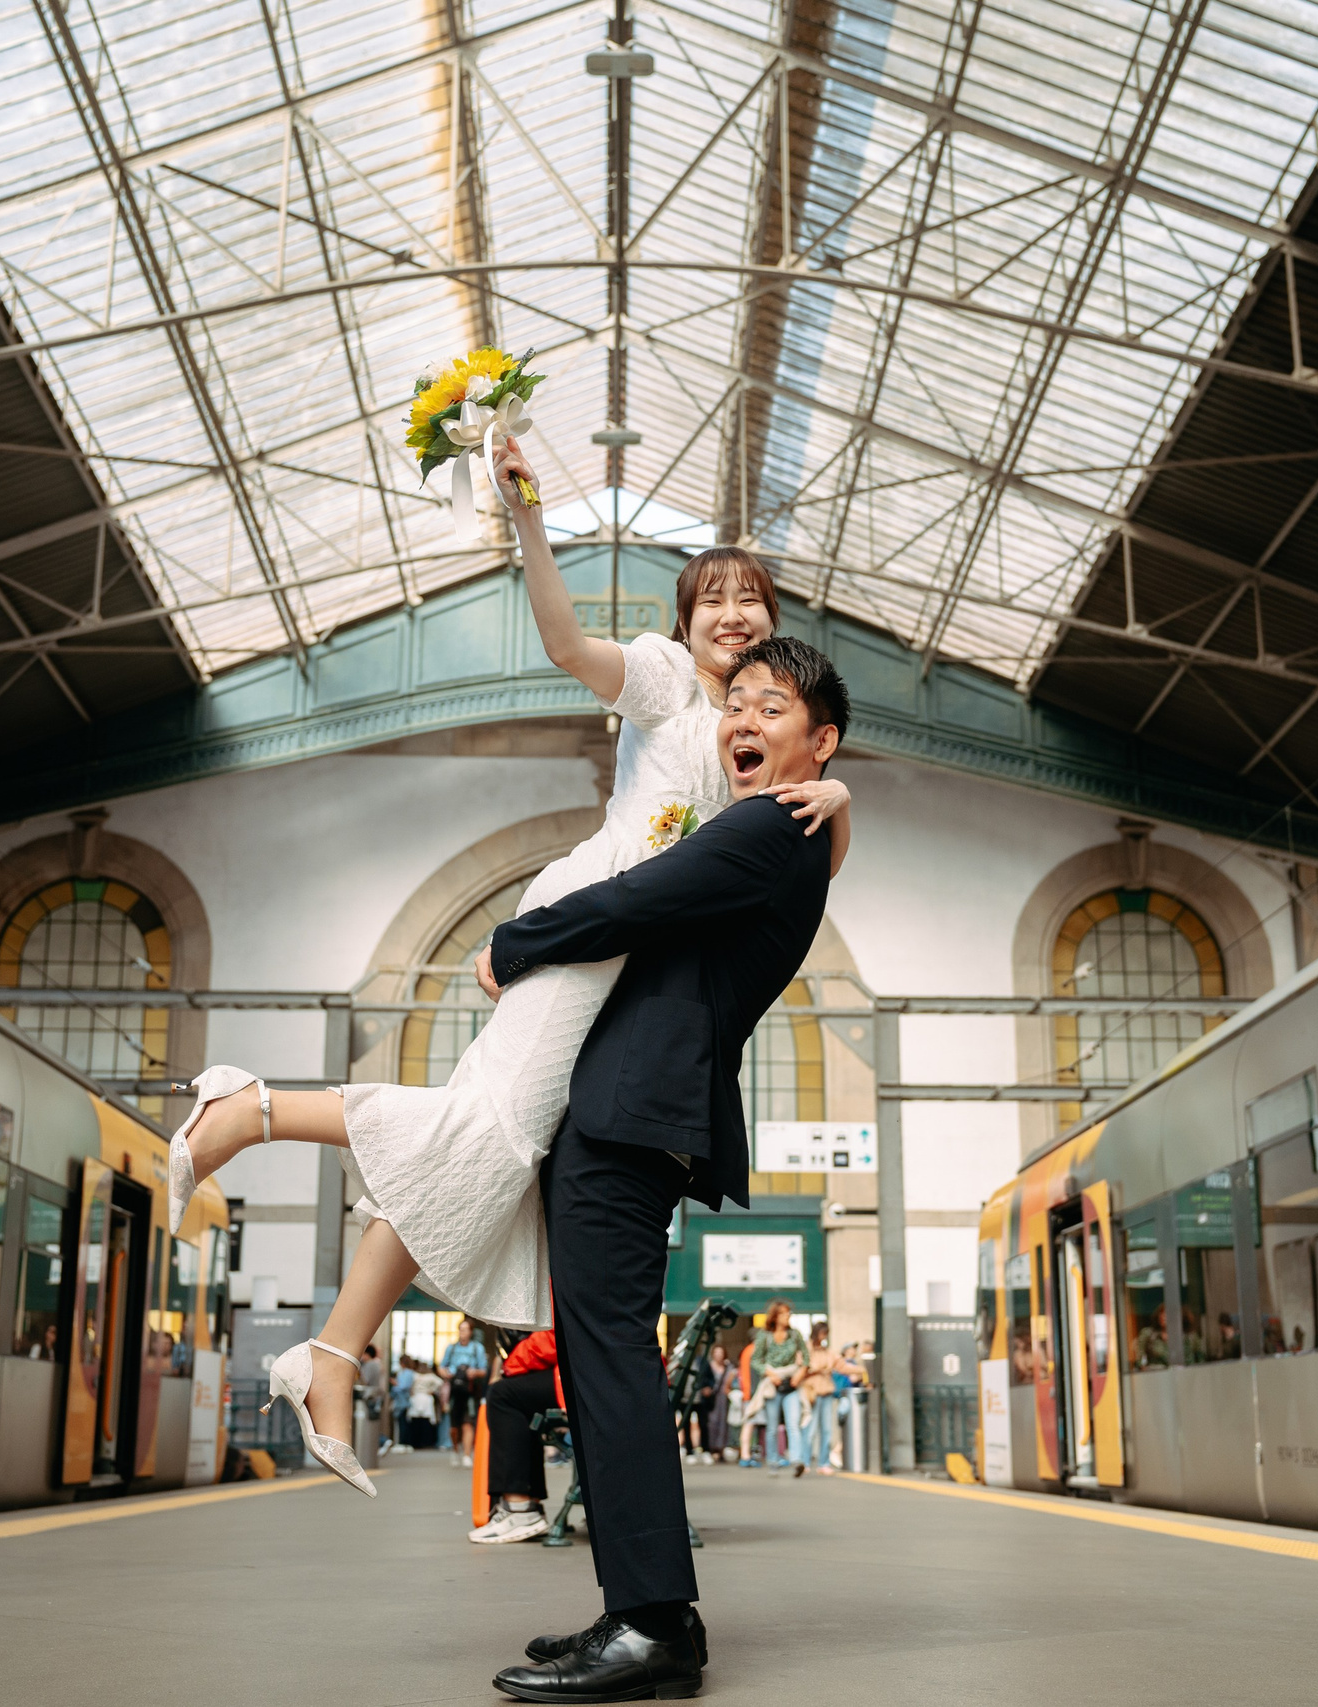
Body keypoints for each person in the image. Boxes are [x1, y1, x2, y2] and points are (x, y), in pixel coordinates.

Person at [160, 455, 854, 1497]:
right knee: (495, 1131)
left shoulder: (765, 734)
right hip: (585, 928)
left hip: (632, 959)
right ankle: (248, 1109)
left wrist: (837, 794)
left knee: (488, 1137)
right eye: (711, 600)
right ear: (685, 621)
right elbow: (566, 644)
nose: (733, 615)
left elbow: (809, 865)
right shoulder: (667, 683)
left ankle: (334, 1355)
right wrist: (529, 519)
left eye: (750, 598)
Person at [485, 636, 848, 1704]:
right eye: (733, 702)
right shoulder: (792, 826)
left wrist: (515, 941)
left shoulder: (773, 825)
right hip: (635, 1109)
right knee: (600, 1361)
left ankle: (652, 1624)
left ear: (818, 743)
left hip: (634, 1110)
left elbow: (638, 898)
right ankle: (640, 1606)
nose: (741, 719)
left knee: (606, 1359)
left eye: (771, 707)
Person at [469, 1327, 561, 1545]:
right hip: (618, 1369)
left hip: (595, 1373)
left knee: (502, 1395)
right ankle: (530, 1504)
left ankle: (519, 1507)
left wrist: (510, 1365)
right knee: (524, 1398)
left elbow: (557, 1336)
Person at [787, 1324, 866, 1477]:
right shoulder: (805, 1349)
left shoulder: (829, 1352)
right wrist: (816, 1369)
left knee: (827, 1430)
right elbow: (800, 1368)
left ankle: (824, 1463)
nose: (823, 1337)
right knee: (809, 1430)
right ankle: (805, 1461)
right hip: (811, 1394)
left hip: (827, 1393)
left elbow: (842, 1366)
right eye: (822, 1334)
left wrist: (862, 1369)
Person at [743, 1305, 806, 1471]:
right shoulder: (765, 1336)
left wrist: (799, 1374)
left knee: (793, 1423)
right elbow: (755, 1360)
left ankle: (796, 1460)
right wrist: (770, 1374)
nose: (788, 1317)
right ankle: (772, 1461)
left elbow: (806, 1358)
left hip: (791, 1382)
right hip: (773, 1384)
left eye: (789, 1313)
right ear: (776, 1316)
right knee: (772, 1426)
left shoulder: (795, 1335)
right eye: (784, 1314)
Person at [441, 1320, 490, 1467]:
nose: (462, 1333)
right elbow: (441, 1366)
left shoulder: (477, 1348)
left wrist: (474, 1372)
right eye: (460, 1329)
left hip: (470, 1389)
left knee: (468, 1423)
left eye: (465, 1330)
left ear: (470, 1332)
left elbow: (484, 1370)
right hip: (455, 1389)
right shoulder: (452, 1348)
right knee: (454, 1426)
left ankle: (467, 1454)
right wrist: (447, 1374)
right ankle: (456, 1449)